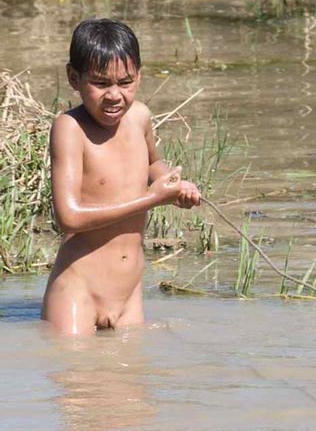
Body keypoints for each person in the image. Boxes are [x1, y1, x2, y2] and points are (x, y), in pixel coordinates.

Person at [42, 18, 201, 336]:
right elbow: (68, 217)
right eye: (100, 84)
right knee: (75, 377)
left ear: (139, 76)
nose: (114, 95)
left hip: (128, 294)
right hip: (78, 289)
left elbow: (153, 165)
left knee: (130, 383)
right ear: (74, 78)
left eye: (125, 82)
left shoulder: (139, 116)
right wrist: (152, 199)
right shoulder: (70, 129)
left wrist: (174, 183)